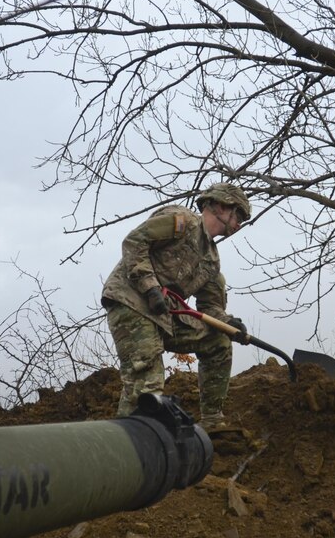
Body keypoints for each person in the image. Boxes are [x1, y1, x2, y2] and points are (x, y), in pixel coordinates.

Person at [101, 183, 252, 429]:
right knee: (147, 379)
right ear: (222, 206)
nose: (239, 224)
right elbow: (134, 241)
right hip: (131, 301)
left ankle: (212, 422)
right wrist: (150, 287)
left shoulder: (212, 261)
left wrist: (227, 323)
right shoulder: (181, 221)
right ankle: (129, 443)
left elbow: (209, 308)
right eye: (239, 216)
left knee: (218, 341)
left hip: (164, 315)